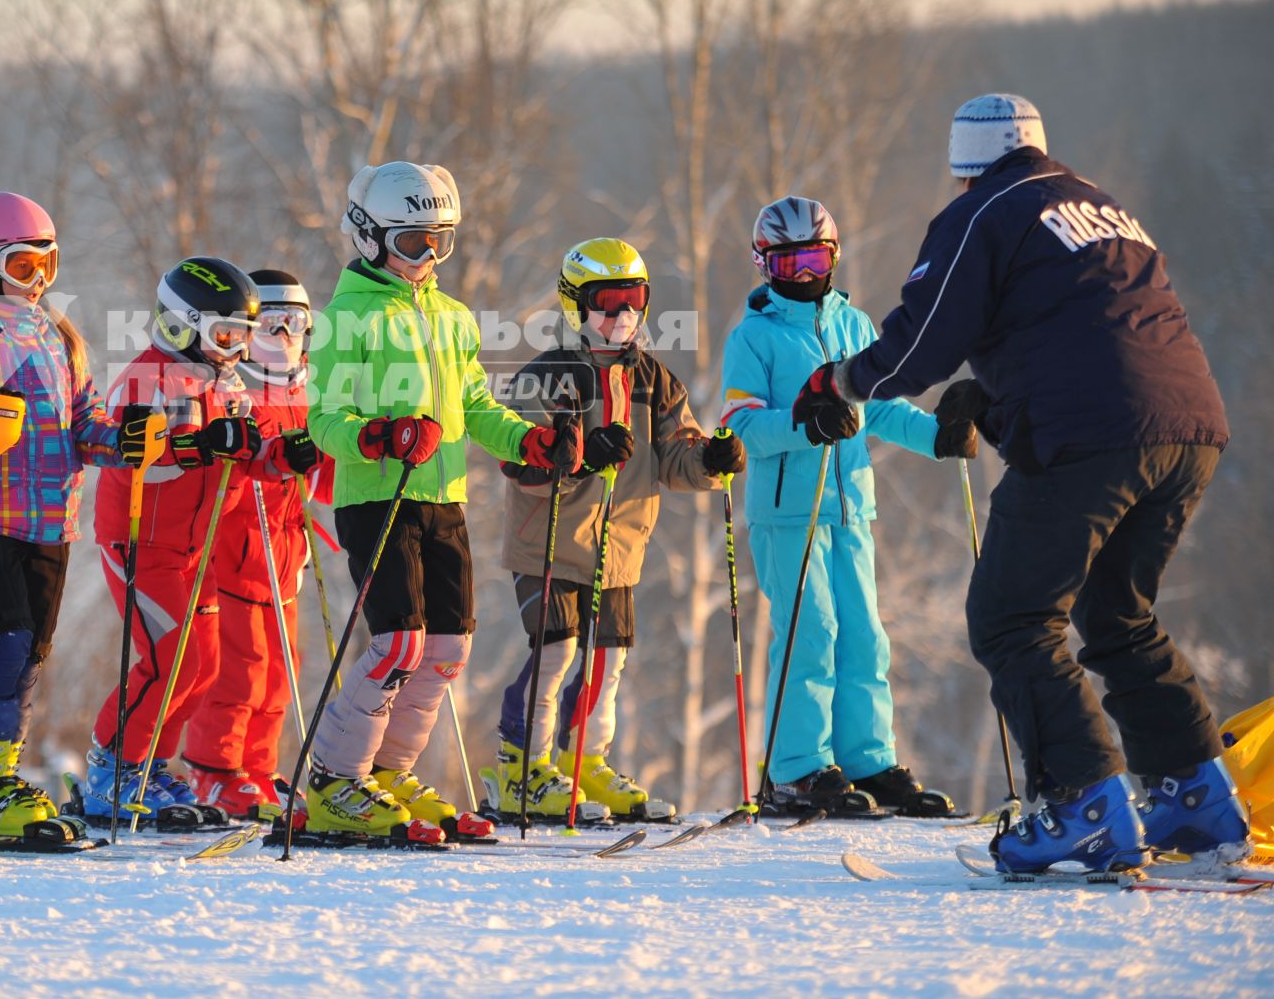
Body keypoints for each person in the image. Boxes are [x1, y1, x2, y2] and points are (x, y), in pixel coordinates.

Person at [793, 94, 1248, 872]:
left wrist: (840, 381)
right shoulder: (1102, 205)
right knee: (1117, 612)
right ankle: (1196, 802)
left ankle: (1082, 806)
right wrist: (996, 406)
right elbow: (1092, 334)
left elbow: (917, 347)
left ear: (964, 166)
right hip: (1189, 428)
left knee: (1010, 617)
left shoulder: (983, 213)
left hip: (1093, 436)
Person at [300, 161, 582, 841]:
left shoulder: (453, 319)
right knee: (399, 641)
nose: (428, 258)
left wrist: (530, 443)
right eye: (412, 243)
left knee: (448, 647)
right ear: (369, 238)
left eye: (440, 243)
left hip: (442, 497)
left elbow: (475, 405)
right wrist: (378, 434)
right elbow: (322, 418)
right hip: (378, 498)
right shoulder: (346, 319)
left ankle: (390, 773)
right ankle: (337, 780)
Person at [719, 196, 974, 818]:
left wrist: (937, 437)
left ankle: (867, 760)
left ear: (833, 257)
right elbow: (740, 423)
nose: (803, 275)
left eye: (813, 258)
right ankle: (798, 768)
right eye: (788, 263)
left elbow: (880, 410)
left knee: (864, 636)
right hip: (788, 514)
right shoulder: (753, 337)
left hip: (851, 506)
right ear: (764, 265)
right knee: (812, 633)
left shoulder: (857, 326)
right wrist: (804, 424)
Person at [0, 191, 152, 842]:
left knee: (31, 653)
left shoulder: (55, 332)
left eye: (48, 265)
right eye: (24, 268)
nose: (40, 281)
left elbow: (83, 424)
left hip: (52, 517)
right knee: (9, 637)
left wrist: (121, 439)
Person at [494, 238, 741, 822]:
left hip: (621, 549)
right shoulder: (551, 375)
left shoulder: (654, 380)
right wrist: (577, 454)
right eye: (608, 302)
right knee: (556, 651)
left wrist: (712, 461)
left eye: (636, 300)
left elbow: (675, 457)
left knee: (608, 661)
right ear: (575, 304)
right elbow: (519, 463)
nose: (623, 316)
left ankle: (584, 761)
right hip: (550, 542)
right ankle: (520, 770)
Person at [81, 257, 269, 821]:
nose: (234, 348)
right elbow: (132, 456)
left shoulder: (227, 385)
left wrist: (281, 454)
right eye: (224, 334)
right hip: (141, 540)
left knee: (202, 666)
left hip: (194, 548)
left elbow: (245, 453)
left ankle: (151, 768)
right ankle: (111, 767)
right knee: (170, 660)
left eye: (242, 336)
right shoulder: (146, 378)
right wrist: (201, 445)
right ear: (183, 324)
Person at [184, 270, 329, 817]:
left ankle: (259, 771)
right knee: (239, 667)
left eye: (296, 323)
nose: (284, 334)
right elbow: (232, 464)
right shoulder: (232, 389)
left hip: (287, 552)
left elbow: (326, 474)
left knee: (279, 670)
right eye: (272, 322)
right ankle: (216, 771)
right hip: (238, 545)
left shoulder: (307, 391)